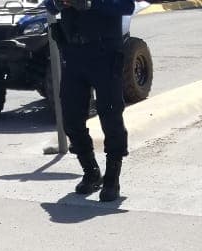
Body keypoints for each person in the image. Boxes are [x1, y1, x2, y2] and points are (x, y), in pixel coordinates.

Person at [48, 0, 134, 202]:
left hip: (105, 53)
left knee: (111, 118)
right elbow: (49, 6)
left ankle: (112, 178)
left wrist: (90, 3)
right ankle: (91, 171)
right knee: (70, 118)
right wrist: (59, 3)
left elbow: (126, 6)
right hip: (74, 54)